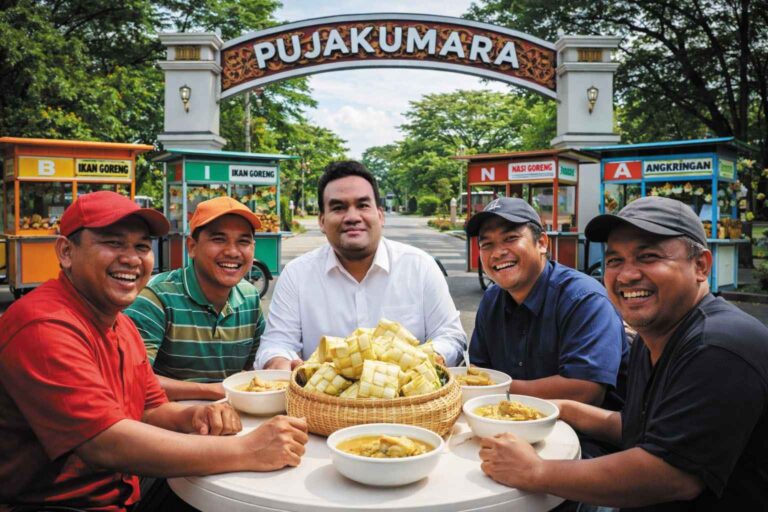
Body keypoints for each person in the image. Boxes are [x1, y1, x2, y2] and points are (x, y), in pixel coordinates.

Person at [0, 191, 308, 511]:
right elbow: (104, 443)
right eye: (113, 243)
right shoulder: (43, 324)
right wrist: (248, 450)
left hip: (126, 490)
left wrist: (197, 415)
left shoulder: (121, 325)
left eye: (142, 246)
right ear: (66, 251)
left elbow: (149, 409)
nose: (131, 258)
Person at [479, 196, 768, 510]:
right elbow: (639, 428)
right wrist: (559, 409)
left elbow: (671, 475)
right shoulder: (654, 335)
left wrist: (535, 470)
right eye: (615, 260)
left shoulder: (718, 346)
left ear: (701, 266)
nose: (627, 275)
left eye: (648, 256)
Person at [255, 160, 466, 369]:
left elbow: (450, 336)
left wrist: (424, 359)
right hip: (320, 402)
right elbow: (276, 343)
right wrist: (281, 364)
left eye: (363, 205)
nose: (352, 217)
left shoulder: (420, 267)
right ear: (321, 221)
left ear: (380, 216)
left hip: (411, 401)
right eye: (338, 207)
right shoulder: (297, 274)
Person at [465, 197, 627, 408]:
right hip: (508, 423)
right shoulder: (492, 299)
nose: (497, 253)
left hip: (584, 434)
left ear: (541, 243)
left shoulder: (583, 299)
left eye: (510, 238)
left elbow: (585, 391)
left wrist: (493, 389)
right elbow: (479, 369)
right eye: (487, 244)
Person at [126, 196, 264, 400]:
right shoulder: (155, 298)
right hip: (167, 424)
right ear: (192, 247)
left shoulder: (250, 298)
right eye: (219, 239)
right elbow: (132, 378)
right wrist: (213, 391)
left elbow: (256, 368)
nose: (233, 252)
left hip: (232, 420)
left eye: (243, 242)